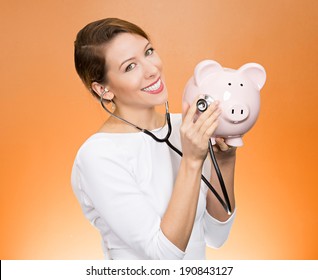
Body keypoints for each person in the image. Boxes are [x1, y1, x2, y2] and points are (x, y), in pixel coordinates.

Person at [71, 18, 237, 260]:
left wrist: (225, 160)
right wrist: (192, 161)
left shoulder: (187, 128)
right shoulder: (98, 155)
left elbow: (216, 236)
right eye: (130, 67)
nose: (152, 69)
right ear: (103, 90)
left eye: (148, 52)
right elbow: (163, 258)